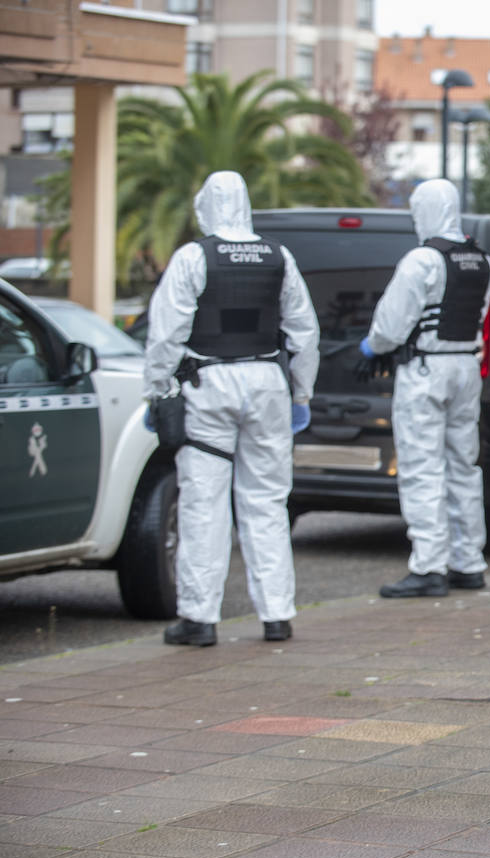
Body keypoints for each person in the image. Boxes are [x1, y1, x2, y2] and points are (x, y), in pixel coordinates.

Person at [143, 171, 319, 646]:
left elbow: (166, 334)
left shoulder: (193, 257)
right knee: (266, 501)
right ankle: (277, 614)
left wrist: (157, 391)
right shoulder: (278, 257)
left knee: (204, 502)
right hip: (267, 384)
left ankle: (200, 619)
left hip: (210, 383)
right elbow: (304, 332)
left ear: (206, 204)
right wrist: (301, 394)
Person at [361, 179, 490, 598]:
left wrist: (372, 347)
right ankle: (468, 562)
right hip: (465, 367)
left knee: (422, 468)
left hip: (426, 369)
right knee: (463, 466)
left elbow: (390, 325)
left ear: (426, 211)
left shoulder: (422, 260)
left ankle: (429, 566)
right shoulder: (482, 260)